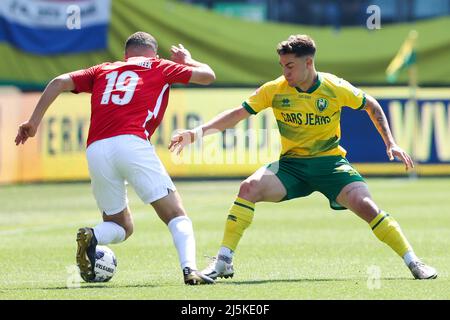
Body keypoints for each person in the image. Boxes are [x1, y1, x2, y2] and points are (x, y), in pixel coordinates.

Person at [169, 34, 437, 280]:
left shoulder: (334, 87)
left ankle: (414, 262)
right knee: (248, 187)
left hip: (330, 165)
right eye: (282, 65)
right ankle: (224, 261)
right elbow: (237, 114)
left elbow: (371, 105)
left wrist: (391, 143)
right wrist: (197, 132)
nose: (284, 72)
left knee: (366, 205)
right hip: (292, 168)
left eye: (289, 66)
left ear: (308, 63)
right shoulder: (275, 89)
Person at [15, 31, 216, 285]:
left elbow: (58, 81)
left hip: (96, 149)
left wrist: (33, 122)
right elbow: (208, 75)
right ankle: (190, 270)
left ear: (125, 55)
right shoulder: (161, 66)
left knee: (121, 226)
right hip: (132, 144)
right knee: (176, 214)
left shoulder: (104, 69)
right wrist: (188, 61)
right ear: (153, 54)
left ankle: (92, 234)